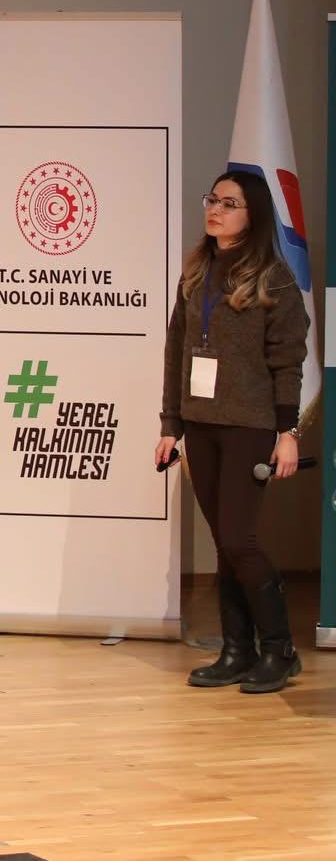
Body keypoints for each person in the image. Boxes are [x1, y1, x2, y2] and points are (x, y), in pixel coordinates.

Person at [155, 169, 311, 693]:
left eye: (229, 203)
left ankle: (280, 649)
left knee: (240, 540)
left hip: (250, 424)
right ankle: (237, 650)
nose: (214, 210)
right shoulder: (196, 272)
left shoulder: (273, 278)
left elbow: (288, 361)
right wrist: (171, 425)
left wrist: (287, 432)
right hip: (201, 424)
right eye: (212, 199)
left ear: (253, 214)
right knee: (224, 542)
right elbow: (176, 351)